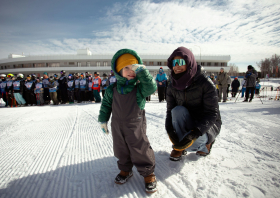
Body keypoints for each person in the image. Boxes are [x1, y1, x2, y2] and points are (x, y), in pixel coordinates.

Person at [98, 49, 157, 193]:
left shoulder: (140, 88)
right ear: (118, 71)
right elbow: (106, 105)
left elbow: (152, 88)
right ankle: (125, 169)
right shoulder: (112, 89)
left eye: (134, 68)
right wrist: (103, 120)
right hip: (117, 125)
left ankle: (148, 173)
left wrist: (142, 72)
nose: (131, 71)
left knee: (140, 148)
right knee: (120, 148)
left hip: (135, 125)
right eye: (126, 68)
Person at [165, 47, 221, 161]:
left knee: (193, 145)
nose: (177, 66)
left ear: (189, 62)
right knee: (177, 111)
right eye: (174, 63)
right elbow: (170, 112)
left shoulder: (205, 83)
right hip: (188, 121)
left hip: (205, 125)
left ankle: (207, 144)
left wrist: (195, 133)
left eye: (181, 62)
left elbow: (211, 114)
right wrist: (170, 130)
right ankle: (181, 146)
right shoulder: (172, 86)